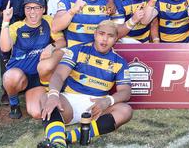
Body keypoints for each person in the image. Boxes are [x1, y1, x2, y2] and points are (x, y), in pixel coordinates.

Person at [39, 20, 133, 148]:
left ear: (116, 38)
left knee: (126, 110)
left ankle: (71, 136)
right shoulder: (77, 50)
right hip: (69, 102)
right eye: (101, 34)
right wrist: (54, 94)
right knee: (46, 97)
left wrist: (107, 101)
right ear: (95, 34)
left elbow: (125, 92)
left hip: (97, 107)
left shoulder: (120, 62)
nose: (104, 39)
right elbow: (59, 75)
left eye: (110, 36)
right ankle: (58, 142)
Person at [0, 0, 65, 119]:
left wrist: (51, 46)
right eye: (28, 8)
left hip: (40, 76)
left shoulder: (48, 21)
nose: (32, 12)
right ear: (24, 10)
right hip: (20, 73)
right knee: (10, 77)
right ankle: (14, 103)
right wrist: (5, 22)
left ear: (43, 9)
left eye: (36, 8)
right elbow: (4, 48)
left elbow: (62, 41)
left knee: (36, 113)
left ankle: (47, 92)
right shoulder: (17, 27)